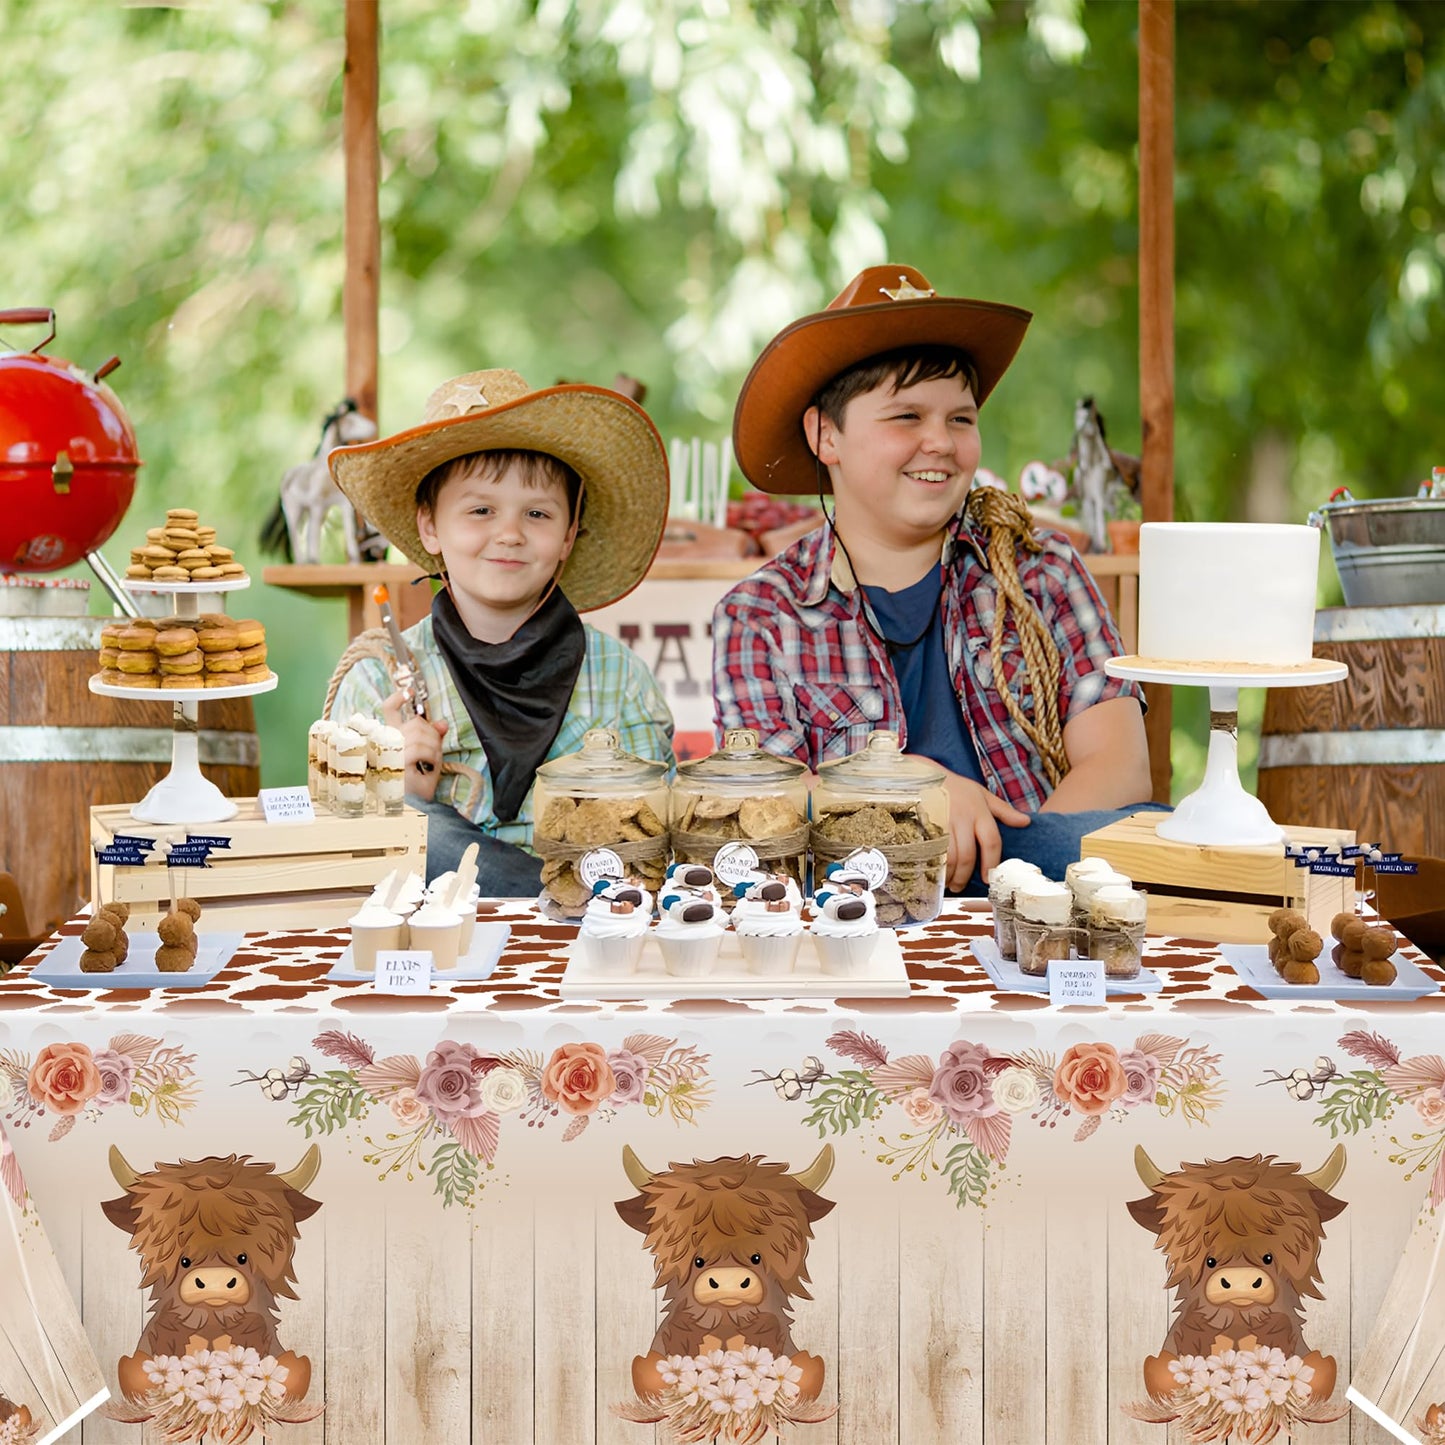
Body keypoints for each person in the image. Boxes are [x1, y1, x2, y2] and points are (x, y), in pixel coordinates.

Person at [713, 265, 1161, 894]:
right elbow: (767, 806)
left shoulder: (1043, 571)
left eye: (960, 420)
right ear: (825, 435)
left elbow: (1121, 766)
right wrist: (910, 788)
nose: (940, 443)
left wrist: (1019, 877)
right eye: (906, 417)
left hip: (1041, 891)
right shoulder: (761, 613)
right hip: (861, 902)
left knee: (1157, 833)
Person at [329, 368, 675, 891]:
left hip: (593, 922)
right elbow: (339, 856)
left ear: (568, 535)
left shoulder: (618, 678)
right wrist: (403, 792)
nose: (509, 533)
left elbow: (653, 840)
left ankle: (546, 899)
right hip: (430, 935)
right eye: (481, 510)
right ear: (430, 526)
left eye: (537, 513)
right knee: (406, 822)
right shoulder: (378, 681)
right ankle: (538, 894)